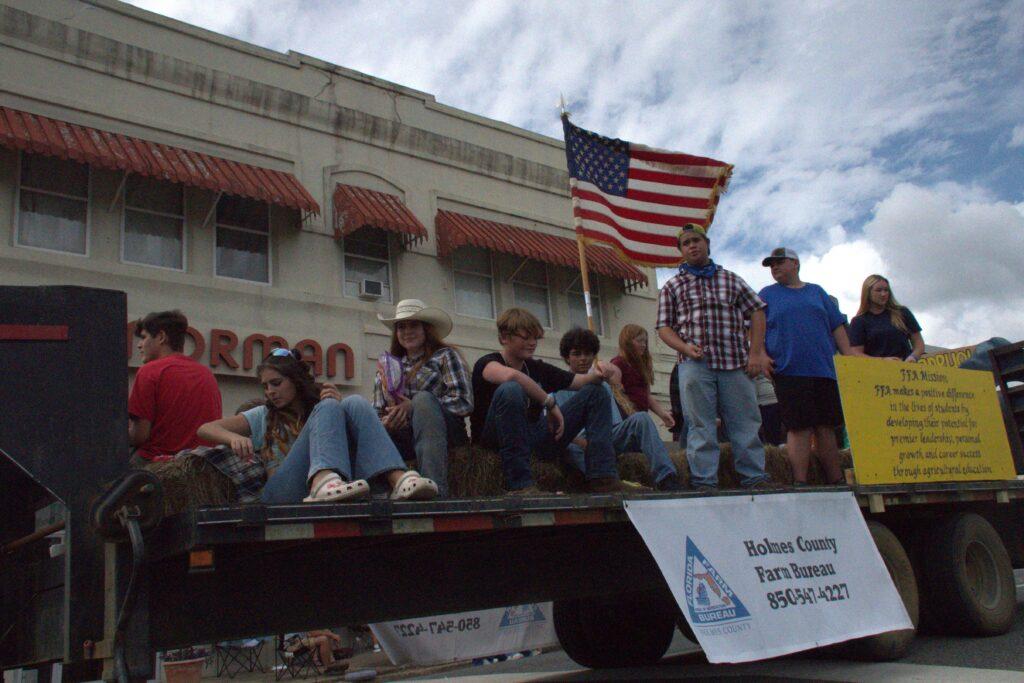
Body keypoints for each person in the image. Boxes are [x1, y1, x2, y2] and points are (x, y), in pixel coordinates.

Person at [198, 348, 437, 503]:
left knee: (352, 402)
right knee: (330, 406)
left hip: (331, 489)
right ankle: (322, 480)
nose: (270, 391)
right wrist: (233, 438)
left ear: (296, 380)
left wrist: (340, 409)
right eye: (266, 386)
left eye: (276, 383)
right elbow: (205, 428)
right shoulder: (263, 414)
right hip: (281, 494)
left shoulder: (322, 409)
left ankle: (398, 480)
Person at [656, 224, 772, 491]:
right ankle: (704, 480)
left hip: (734, 362)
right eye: (686, 243)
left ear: (707, 243)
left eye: (696, 240)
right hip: (695, 365)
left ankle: (754, 477)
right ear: (681, 251)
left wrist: (755, 353)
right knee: (700, 424)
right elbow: (664, 327)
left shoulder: (731, 279)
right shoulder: (673, 286)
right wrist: (685, 348)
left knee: (745, 421)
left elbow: (757, 312)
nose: (692, 246)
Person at [470, 308, 634, 495]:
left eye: (535, 338)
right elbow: (512, 377)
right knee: (511, 390)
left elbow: (580, 381)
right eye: (525, 338)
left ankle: (602, 477)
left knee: (596, 392)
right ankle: (520, 485)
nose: (532, 343)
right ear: (505, 338)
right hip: (494, 442)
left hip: (534, 440)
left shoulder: (536, 368)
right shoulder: (488, 363)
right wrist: (549, 402)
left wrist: (601, 371)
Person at [758, 247, 857, 485]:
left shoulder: (817, 292)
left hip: (823, 370)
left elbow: (836, 326)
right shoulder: (766, 294)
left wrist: (849, 356)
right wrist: (760, 354)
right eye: (772, 265)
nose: (775, 268)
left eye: (779, 263)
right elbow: (755, 327)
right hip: (789, 369)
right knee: (799, 427)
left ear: (795, 263)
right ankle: (800, 481)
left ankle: (835, 478)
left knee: (826, 426)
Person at [558, 328, 683, 491]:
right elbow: (558, 430)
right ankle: (595, 482)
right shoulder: (560, 387)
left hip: (605, 438)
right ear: (567, 357)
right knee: (571, 448)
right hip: (579, 442)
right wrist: (581, 442)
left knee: (641, 419)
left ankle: (667, 477)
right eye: (577, 354)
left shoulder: (602, 386)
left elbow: (614, 424)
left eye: (588, 354)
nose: (583, 359)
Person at [373, 299, 471, 498]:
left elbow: (464, 402)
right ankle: (377, 493)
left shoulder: (444, 356)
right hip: (405, 436)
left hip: (445, 432)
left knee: (424, 400)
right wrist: (388, 421)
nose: (407, 331)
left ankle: (435, 488)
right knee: (363, 421)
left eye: (413, 325)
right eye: (401, 327)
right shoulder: (387, 367)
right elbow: (376, 412)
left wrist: (414, 407)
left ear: (427, 329)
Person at [128, 310, 222, 466]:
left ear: (161, 337)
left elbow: (140, 436)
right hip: (202, 466)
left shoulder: (150, 371)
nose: (139, 345)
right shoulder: (207, 374)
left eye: (144, 337)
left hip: (155, 464)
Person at [611, 324, 676, 430]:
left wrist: (662, 414)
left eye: (645, 341)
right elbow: (617, 395)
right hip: (626, 421)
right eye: (639, 341)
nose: (644, 345)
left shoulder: (641, 367)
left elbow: (647, 396)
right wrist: (631, 414)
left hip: (640, 419)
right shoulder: (618, 364)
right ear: (628, 342)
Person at [850, 275, 925, 361]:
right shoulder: (859, 321)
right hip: (877, 371)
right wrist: (882, 361)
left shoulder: (902, 312)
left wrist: (913, 357)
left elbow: (919, 343)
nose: (883, 294)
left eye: (886, 290)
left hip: (905, 368)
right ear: (868, 293)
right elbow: (856, 353)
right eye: (878, 290)